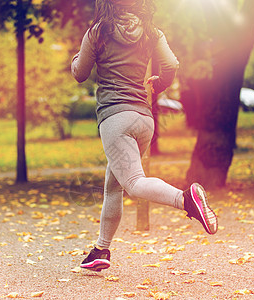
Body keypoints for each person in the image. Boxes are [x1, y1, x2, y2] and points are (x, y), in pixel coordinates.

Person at [71, 0, 218, 272]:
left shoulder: (98, 32)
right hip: (143, 119)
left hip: (116, 119)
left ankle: (186, 200)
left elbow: (80, 73)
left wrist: (74, 60)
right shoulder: (152, 32)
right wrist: (160, 84)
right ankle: (100, 251)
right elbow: (172, 64)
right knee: (113, 185)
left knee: (134, 183)